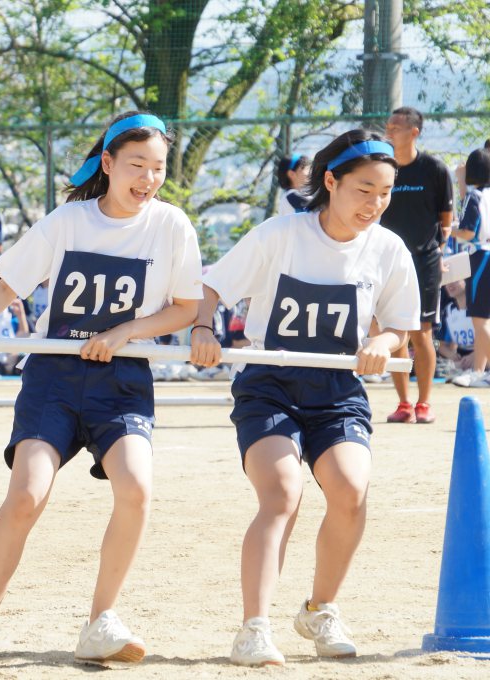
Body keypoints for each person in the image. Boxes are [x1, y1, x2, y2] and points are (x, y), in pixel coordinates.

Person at [0, 111, 202, 667]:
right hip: (53, 377)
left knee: (137, 489)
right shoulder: (68, 220)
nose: (148, 178)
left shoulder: (172, 226)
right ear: (109, 163)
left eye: (159, 168)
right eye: (137, 165)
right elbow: (6, 288)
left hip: (123, 382)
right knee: (27, 494)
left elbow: (186, 309)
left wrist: (126, 331)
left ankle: (101, 621)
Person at [189, 129, 419, 667]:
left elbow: (399, 330)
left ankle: (320, 608)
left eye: (385, 193)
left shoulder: (388, 249)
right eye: (364, 190)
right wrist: (203, 328)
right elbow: (212, 287)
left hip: (338, 390)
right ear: (331, 182)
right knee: (282, 492)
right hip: (269, 383)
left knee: (351, 489)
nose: (375, 204)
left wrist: (379, 345)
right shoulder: (281, 234)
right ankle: (254, 627)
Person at [380, 107, 453, 424]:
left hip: (424, 262)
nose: (389, 130)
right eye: (388, 125)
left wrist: (438, 251)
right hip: (388, 262)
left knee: (421, 332)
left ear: (414, 132)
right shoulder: (383, 168)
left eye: (396, 126)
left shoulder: (433, 168)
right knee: (394, 331)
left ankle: (424, 403)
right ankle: (403, 404)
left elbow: (446, 220)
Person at [449, 147, 490, 387]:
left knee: (480, 319)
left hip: (482, 257)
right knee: (484, 319)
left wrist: (447, 230)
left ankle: (480, 371)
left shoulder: (477, 196)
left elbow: (467, 232)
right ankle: (478, 371)